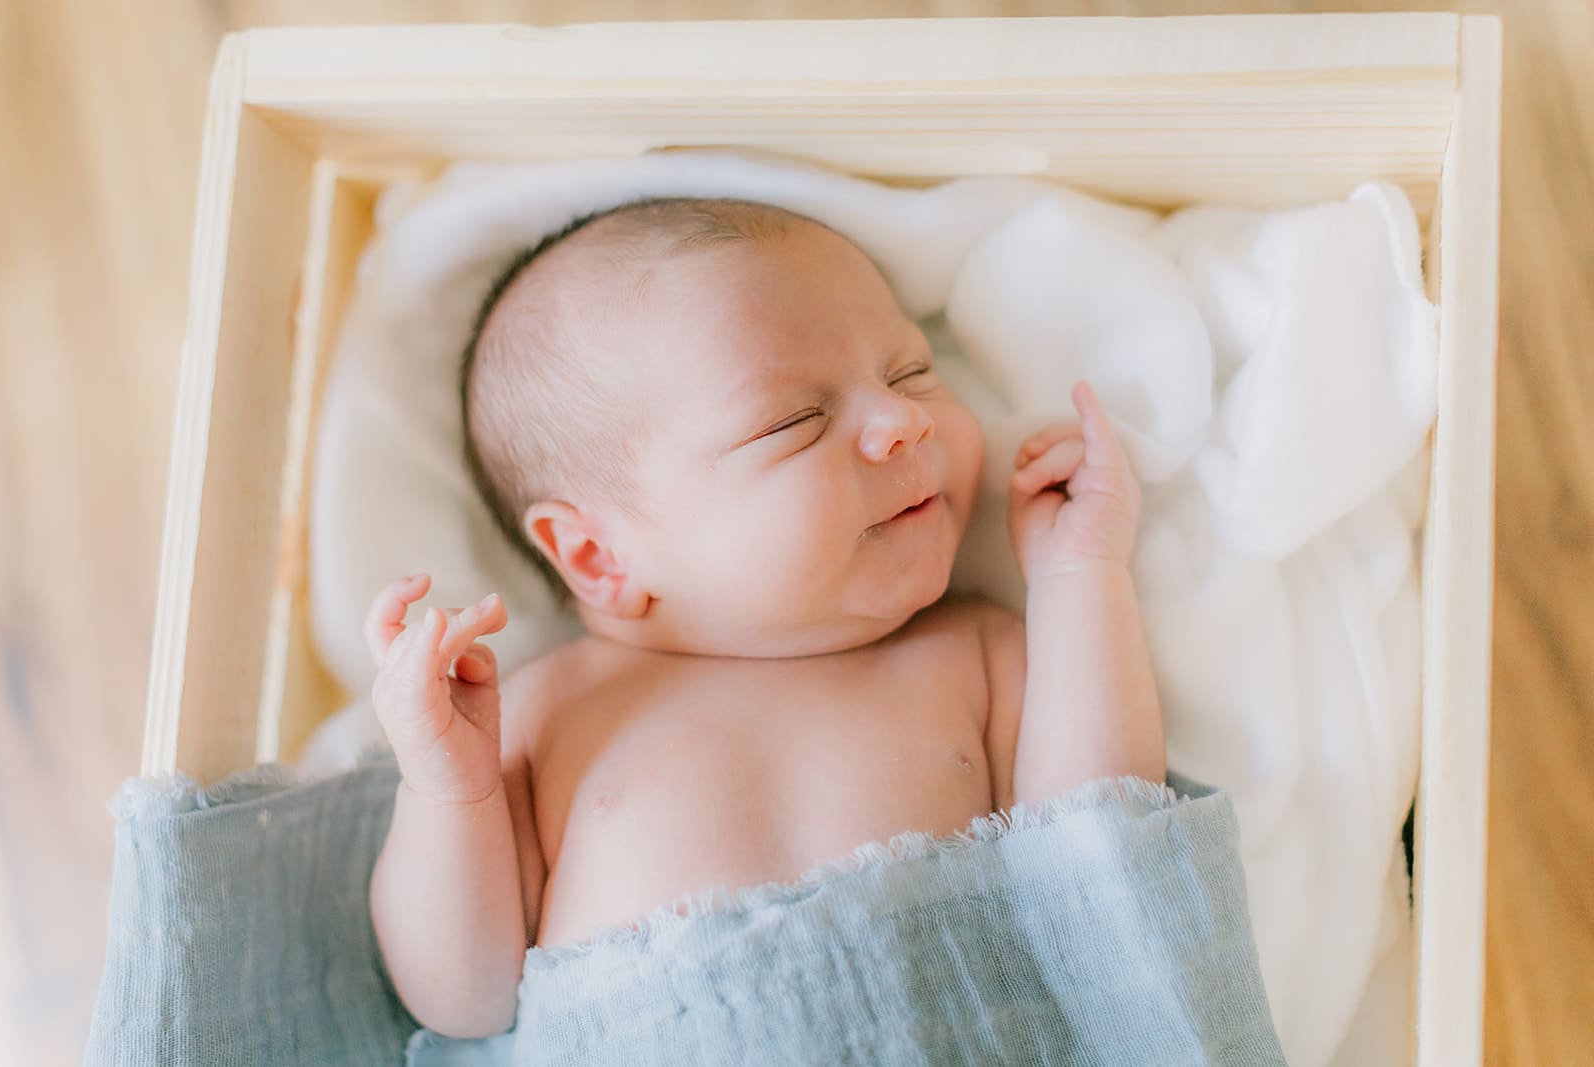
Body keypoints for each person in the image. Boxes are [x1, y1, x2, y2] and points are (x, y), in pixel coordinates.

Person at [363, 197, 1165, 1039]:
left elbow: (1100, 862)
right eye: (794, 421)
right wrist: (446, 787)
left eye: (912, 371)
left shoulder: (976, 653)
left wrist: (1081, 576)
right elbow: (465, 998)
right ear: (599, 556)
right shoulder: (549, 711)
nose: (905, 419)